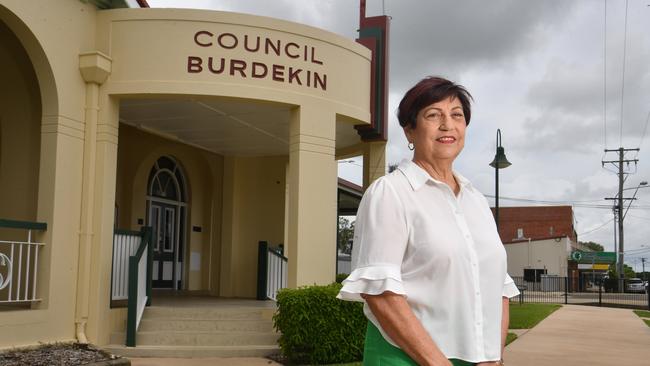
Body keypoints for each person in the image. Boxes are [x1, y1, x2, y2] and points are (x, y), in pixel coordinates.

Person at [337, 76, 519, 366]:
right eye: (433, 115)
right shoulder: (391, 193)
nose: (447, 125)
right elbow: (382, 294)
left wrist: (492, 356)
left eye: (456, 115)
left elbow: (498, 288)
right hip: (406, 358)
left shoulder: (476, 201)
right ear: (410, 131)